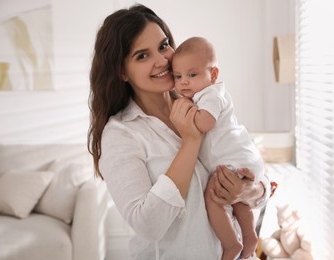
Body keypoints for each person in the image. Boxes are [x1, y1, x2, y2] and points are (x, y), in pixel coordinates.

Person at [87, 4, 270, 260]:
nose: (162, 61)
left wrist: (251, 191)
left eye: (163, 46)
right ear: (121, 71)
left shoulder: (203, 101)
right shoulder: (121, 135)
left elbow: (251, 166)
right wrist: (190, 141)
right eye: (142, 56)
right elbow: (148, 225)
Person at [172, 37, 264, 260]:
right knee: (235, 196)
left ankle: (231, 244)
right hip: (241, 159)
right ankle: (250, 235)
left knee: (214, 197)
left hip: (233, 159)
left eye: (192, 75)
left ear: (213, 75)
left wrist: (184, 112)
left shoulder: (210, 94)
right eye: (178, 76)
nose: (183, 82)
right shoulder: (204, 94)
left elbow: (204, 124)